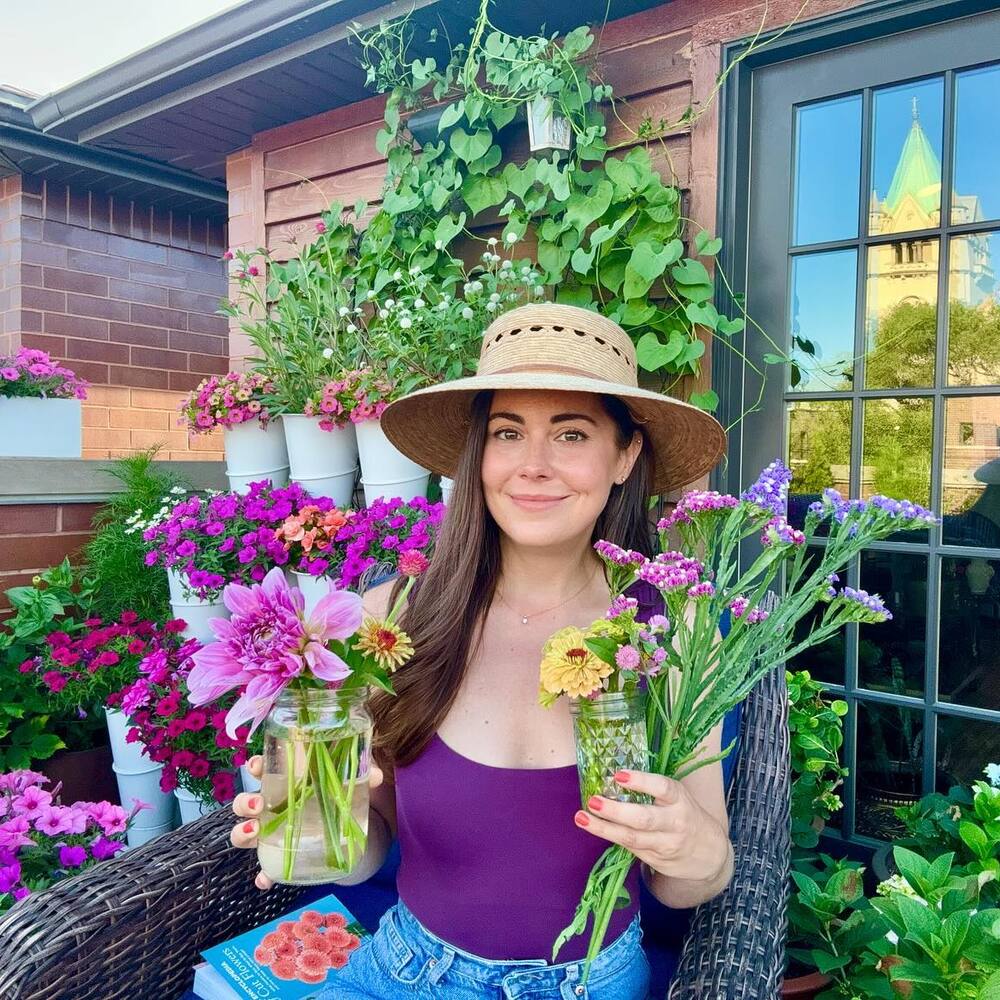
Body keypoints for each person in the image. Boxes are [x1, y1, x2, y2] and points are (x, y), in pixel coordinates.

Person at [231, 303, 733, 999]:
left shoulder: (671, 633)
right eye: (507, 432)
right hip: (401, 972)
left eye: (571, 433)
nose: (532, 465)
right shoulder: (391, 621)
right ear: (480, 455)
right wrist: (324, 828)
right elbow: (368, 847)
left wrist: (693, 846)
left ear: (625, 456)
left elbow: (690, 885)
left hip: (590, 984)